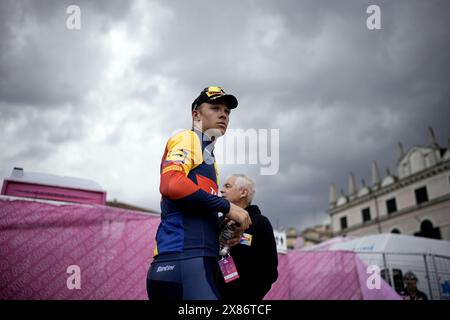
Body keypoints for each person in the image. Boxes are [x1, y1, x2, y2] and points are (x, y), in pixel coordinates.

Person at [146, 86, 251, 300]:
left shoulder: (209, 156)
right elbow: (171, 185)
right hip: (187, 263)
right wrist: (228, 207)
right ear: (196, 115)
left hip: (185, 263)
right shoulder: (189, 138)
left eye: (227, 111)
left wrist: (221, 228)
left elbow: (193, 204)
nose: (224, 114)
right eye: (215, 108)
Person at [218, 174, 278, 300]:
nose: (221, 190)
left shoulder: (260, 223)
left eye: (227, 186)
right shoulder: (216, 223)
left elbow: (270, 270)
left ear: (243, 192)